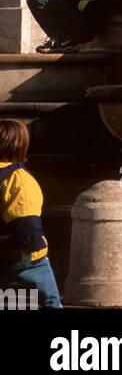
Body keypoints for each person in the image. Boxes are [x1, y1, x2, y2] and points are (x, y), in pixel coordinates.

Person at [0, 118, 62, 308]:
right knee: (51, 302)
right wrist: (34, 246)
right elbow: (25, 223)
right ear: (21, 145)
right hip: (24, 259)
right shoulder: (18, 178)